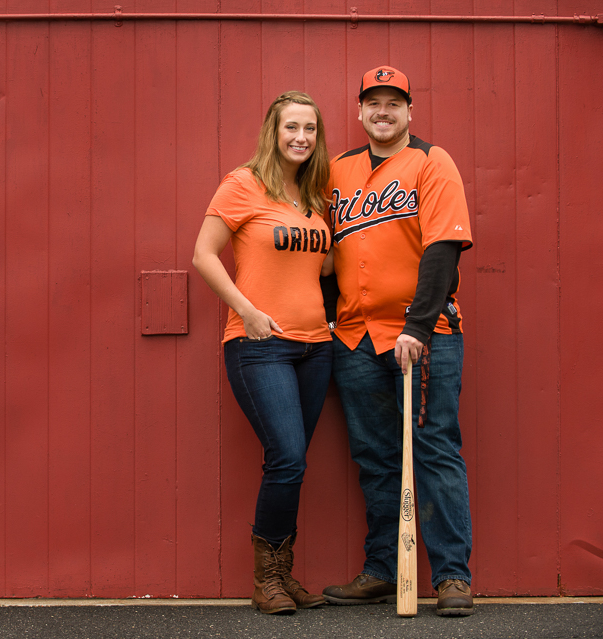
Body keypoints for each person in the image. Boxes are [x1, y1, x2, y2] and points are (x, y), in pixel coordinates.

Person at [321, 66, 475, 616]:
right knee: (376, 457)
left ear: (410, 111)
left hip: (423, 334)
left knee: (433, 451)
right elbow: (319, 251)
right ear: (360, 111)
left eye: (394, 102)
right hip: (355, 336)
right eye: (373, 102)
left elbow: (444, 248)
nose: (382, 111)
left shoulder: (432, 162)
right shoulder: (336, 170)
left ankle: (454, 576)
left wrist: (415, 326)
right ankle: (384, 570)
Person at [193, 91, 334, 615]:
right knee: (289, 457)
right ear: (273, 132)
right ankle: (267, 580)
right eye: (292, 127)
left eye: (311, 129)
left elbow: (320, 269)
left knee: (290, 464)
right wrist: (246, 310)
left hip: (317, 348)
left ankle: (283, 572)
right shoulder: (243, 184)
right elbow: (203, 255)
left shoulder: (316, 198)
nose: (301, 137)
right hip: (260, 345)